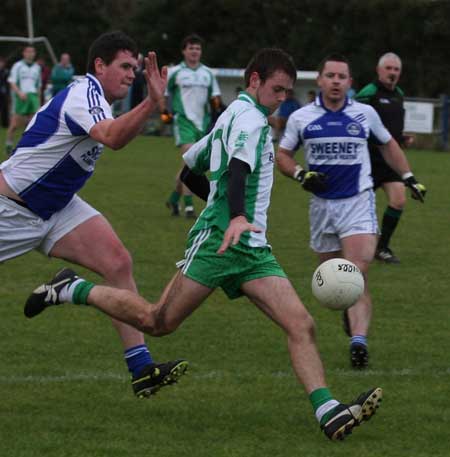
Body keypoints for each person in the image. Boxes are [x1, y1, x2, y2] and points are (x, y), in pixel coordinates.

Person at [26, 48, 382, 442]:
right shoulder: (247, 119)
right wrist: (232, 217)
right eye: (277, 89)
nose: (282, 98)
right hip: (220, 242)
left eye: (287, 92)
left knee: (300, 324)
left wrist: (227, 211)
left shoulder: (232, 115)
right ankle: (72, 289)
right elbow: (236, 169)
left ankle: (328, 410)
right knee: (157, 321)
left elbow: (190, 166)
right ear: (254, 81)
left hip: (251, 248)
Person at [0, 31, 187, 398]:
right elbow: (113, 137)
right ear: (99, 65)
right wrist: (151, 103)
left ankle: (141, 368)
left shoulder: (97, 99)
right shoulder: (82, 94)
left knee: (117, 262)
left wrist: (149, 103)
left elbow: (115, 134)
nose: (132, 73)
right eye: (124, 66)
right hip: (11, 210)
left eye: (135, 67)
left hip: (56, 208)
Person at [276, 54, 426, 369]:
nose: (335, 81)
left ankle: (359, 342)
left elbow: (388, 145)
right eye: (329, 75)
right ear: (319, 80)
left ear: (349, 82)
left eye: (341, 77)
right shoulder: (302, 117)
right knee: (334, 281)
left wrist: (409, 177)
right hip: (321, 207)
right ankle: (349, 310)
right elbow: (284, 154)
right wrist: (301, 174)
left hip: (358, 203)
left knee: (354, 274)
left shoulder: (365, 113)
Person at [355, 52, 414, 264]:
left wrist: (402, 138)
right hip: (367, 160)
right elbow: (353, 122)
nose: (392, 73)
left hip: (390, 161)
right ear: (379, 71)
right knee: (355, 207)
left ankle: (382, 247)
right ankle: (344, 242)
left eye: (396, 69)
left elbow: (392, 128)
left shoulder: (399, 94)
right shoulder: (368, 93)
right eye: (388, 68)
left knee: (398, 200)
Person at [163, 34, 222, 218]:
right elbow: (164, 94)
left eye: (197, 48)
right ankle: (188, 206)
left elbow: (216, 99)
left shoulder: (208, 74)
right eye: (191, 48)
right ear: (184, 51)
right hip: (183, 122)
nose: (194, 51)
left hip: (202, 125)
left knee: (187, 166)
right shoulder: (176, 72)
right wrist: (164, 112)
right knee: (191, 162)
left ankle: (174, 199)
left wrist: (217, 112)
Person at [5, 46, 41, 156]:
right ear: (24, 53)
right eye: (28, 51)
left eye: (32, 51)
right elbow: (12, 82)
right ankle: (8, 145)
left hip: (33, 97)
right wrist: (19, 93)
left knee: (32, 124)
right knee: (15, 124)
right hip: (22, 97)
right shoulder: (18, 66)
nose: (30, 54)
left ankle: (26, 148)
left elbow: (38, 85)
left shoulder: (37, 67)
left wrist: (39, 100)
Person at [0, 57, 9, 128]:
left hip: (4, 92)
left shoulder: (6, 71)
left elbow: (8, 82)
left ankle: (5, 124)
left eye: (2, 63)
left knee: (4, 108)